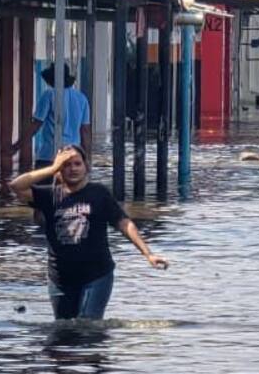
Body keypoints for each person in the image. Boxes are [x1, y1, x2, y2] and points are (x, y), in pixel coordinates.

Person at [10, 144, 168, 319]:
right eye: (67, 165)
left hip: (96, 275)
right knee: (64, 332)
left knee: (88, 326)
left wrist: (148, 254)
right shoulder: (50, 196)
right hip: (60, 280)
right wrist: (52, 168)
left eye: (77, 164)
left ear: (86, 167)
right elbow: (16, 186)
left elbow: (124, 223)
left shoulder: (99, 194)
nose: (73, 169)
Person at [15, 64, 92, 168]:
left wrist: (16, 147)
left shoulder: (49, 95)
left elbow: (36, 125)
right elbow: (85, 132)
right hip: (73, 156)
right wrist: (85, 159)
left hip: (49, 156)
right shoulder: (82, 99)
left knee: (42, 183)